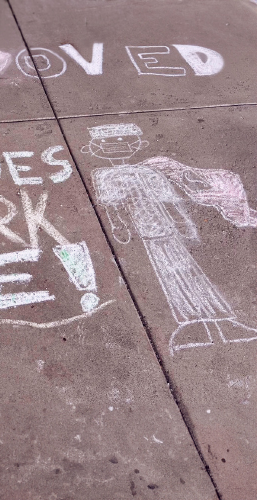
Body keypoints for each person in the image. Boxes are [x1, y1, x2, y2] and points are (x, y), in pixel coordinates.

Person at [82, 123, 257, 355]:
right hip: (148, 233)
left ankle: (221, 319)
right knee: (169, 274)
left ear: (138, 144)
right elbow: (112, 205)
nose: (116, 145)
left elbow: (168, 200)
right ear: (92, 148)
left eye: (126, 140)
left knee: (190, 270)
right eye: (105, 143)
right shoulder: (105, 175)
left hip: (168, 228)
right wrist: (118, 225)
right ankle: (191, 321)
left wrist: (183, 222)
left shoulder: (149, 172)